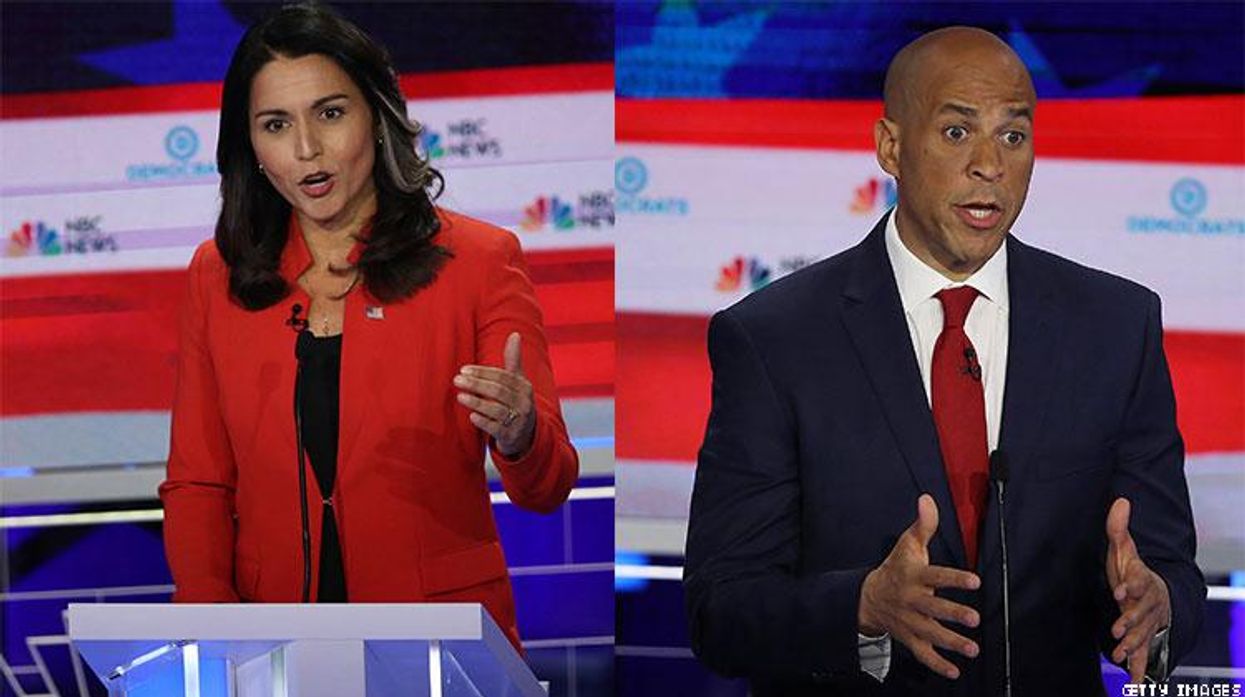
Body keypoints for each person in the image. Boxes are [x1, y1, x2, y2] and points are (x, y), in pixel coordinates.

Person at [684, 26, 1204, 696]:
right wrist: (863, 606)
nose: (989, 163)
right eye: (957, 133)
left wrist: (1154, 609)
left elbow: (1169, 571)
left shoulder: (1114, 326)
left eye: (1013, 135)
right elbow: (719, 609)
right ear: (890, 147)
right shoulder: (774, 340)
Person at [158, 3, 578, 651]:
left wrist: (521, 434)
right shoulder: (217, 275)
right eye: (275, 124)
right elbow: (199, 482)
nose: (306, 150)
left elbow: (547, 487)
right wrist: (213, 640)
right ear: (250, 147)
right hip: (272, 646)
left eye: (330, 113)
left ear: (377, 118)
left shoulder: (480, 261)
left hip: (440, 643)